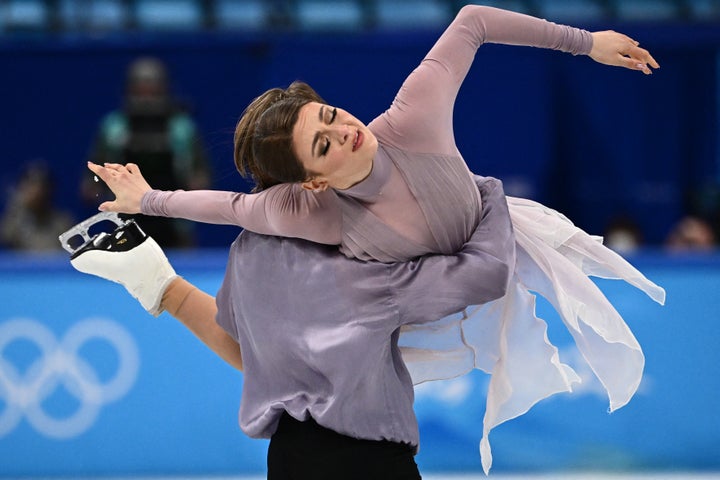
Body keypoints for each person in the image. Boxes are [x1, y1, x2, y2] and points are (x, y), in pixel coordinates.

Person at [87, 5, 665, 473]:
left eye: (331, 114)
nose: (345, 130)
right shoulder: (313, 218)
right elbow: (235, 207)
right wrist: (148, 203)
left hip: (314, 438)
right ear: (311, 181)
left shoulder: (413, 116)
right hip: (455, 278)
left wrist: (586, 43)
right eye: (324, 145)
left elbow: (473, 21)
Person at [68, 175, 516, 479]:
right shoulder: (375, 271)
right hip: (369, 463)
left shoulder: (249, 255)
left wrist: (167, 288)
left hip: (290, 460)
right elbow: (488, 274)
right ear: (315, 180)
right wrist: (486, 194)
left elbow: (258, 363)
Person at [82, 56, 212, 248]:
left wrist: (193, 188)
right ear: (130, 90)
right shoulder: (113, 128)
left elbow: (201, 179)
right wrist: (99, 189)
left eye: (153, 91)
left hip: (175, 229)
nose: (147, 98)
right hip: (124, 226)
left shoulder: (183, 128)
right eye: (141, 91)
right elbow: (90, 185)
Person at [1, 162, 75, 252]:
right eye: (31, 185)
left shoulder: (62, 222)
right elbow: (5, 238)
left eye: (41, 186)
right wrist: (17, 206)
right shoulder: (14, 221)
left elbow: (70, 255)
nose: (36, 191)